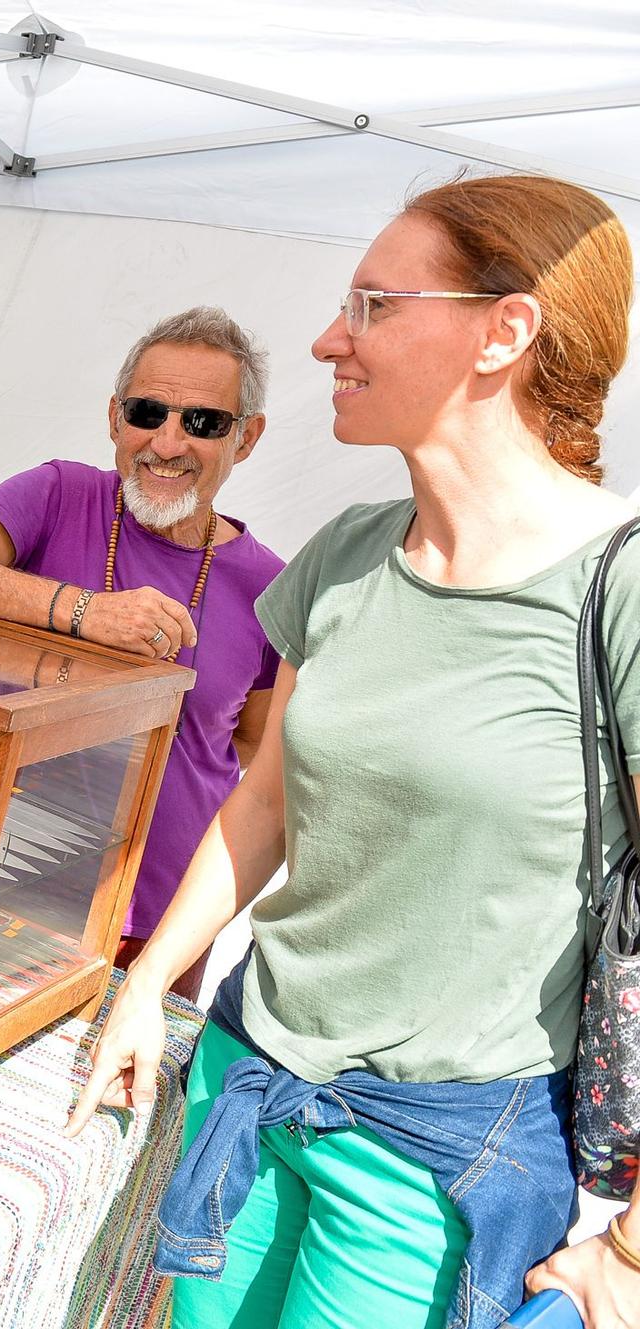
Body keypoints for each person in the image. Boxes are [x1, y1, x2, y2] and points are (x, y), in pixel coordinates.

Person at [67, 173, 640, 1329]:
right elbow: (264, 802)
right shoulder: (343, 553)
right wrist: (142, 985)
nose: (332, 337)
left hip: (433, 1157)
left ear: (504, 331)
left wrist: (627, 1254)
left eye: (374, 306)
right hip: (245, 1073)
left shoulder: (618, 585)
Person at [0, 308, 283, 1000]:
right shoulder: (62, 493)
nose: (167, 442)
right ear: (113, 417)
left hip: (161, 924)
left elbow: (250, 744)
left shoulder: (271, 586)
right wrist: (83, 612)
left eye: (203, 422)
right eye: (147, 412)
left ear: (246, 438)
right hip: (5, 883)